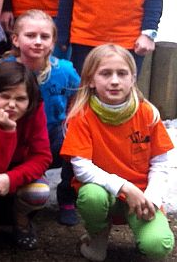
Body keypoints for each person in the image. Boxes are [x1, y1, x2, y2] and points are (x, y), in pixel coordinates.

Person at [61, 44, 175, 261]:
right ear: (91, 80)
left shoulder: (148, 113)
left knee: (158, 246)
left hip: (141, 195)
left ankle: (144, 235)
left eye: (122, 73)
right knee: (91, 196)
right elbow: (82, 168)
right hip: (105, 194)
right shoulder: (81, 116)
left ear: (133, 79)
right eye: (105, 73)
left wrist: (151, 198)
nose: (114, 81)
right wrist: (124, 187)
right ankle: (97, 236)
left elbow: (160, 163)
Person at [0, 10, 81, 225]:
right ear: (16, 39)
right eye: (30, 35)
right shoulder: (1, 69)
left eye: (44, 37)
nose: (38, 42)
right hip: (13, 134)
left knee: (77, 141)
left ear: (53, 42)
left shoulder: (65, 71)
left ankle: (67, 197)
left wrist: (70, 119)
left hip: (52, 136)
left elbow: (79, 95)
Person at [0, 61, 52, 250]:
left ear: (30, 100)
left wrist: (11, 178)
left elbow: (42, 156)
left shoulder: (35, 111)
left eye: (21, 99)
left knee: (39, 192)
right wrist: (7, 131)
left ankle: (21, 220)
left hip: (20, 169)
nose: (12, 105)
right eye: (4, 96)